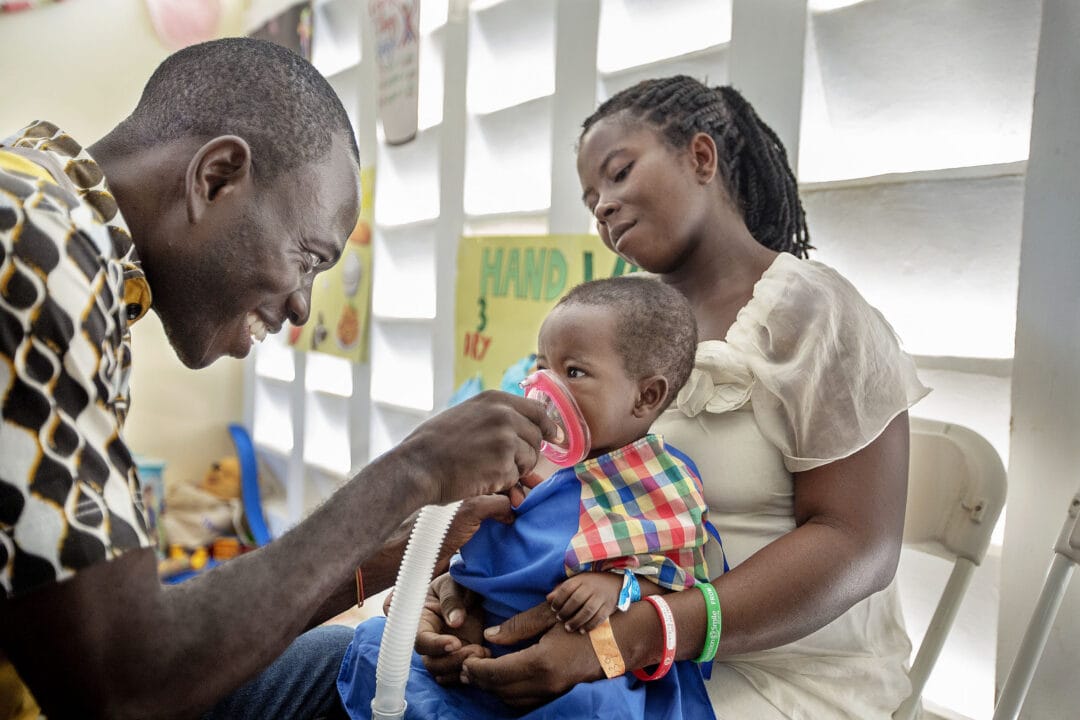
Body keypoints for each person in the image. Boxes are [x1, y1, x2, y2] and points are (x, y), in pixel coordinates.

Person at [0, 37, 554, 720]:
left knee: (359, 661)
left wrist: (403, 552)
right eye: (309, 257)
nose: (300, 306)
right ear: (217, 177)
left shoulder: (56, 229)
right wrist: (416, 468)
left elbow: (122, 626)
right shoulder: (33, 245)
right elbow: (124, 682)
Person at [416, 76, 930, 719]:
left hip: (773, 673)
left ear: (702, 158)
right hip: (600, 649)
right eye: (590, 196)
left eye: (619, 172)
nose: (602, 206)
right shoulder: (613, 331)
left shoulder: (815, 315)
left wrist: (644, 633)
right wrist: (463, 593)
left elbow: (860, 544)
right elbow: (554, 499)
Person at [337, 275, 724, 719]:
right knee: (372, 644)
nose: (546, 389)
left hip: (581, 669)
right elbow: (455, 540)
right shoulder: (521, 462)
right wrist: (448, 596)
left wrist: (618, 585)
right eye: (541, 367)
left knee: (601, 709)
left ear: (646, 396)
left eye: (574, 372)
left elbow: (682, 575)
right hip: (484, 644)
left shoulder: (658, 481)